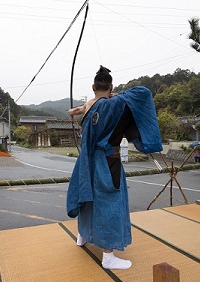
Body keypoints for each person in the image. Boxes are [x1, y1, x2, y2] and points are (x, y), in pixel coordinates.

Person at [66, 66, 163, 270]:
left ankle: (83, 236)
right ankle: (108, 257)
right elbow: (143, 93)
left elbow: (92, 109)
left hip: (87, 162)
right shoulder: (117, 104)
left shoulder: (91, 107)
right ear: (111, 87)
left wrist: (88, 105)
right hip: (108, 161)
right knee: (110, 204)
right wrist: (117, 95)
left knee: (88, 197)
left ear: (93, 87)